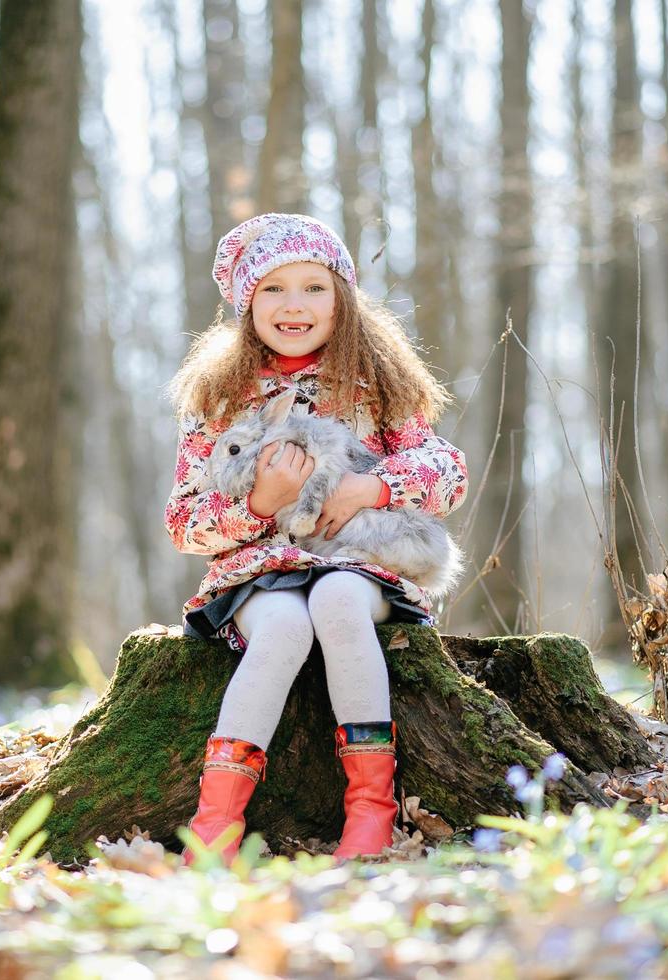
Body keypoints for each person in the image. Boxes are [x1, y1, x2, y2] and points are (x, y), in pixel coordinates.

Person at [165, 212, 468, 863]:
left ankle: (369, 807)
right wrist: (258, 505)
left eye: (313, 287)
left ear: (342, 298)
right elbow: (185, 523)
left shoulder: (377, 386)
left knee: (333, 601)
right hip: (260, 572)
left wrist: (372, 488)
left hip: (359, 566)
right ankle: (215, 819)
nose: (293, 304)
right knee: (281, 626)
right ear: (247, 304)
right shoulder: (220, 398)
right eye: (272, 289)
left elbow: (447, 474)